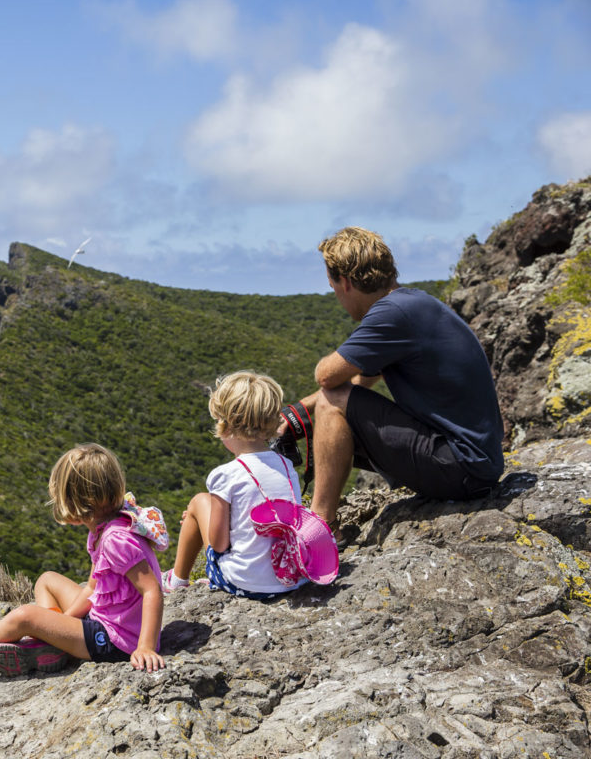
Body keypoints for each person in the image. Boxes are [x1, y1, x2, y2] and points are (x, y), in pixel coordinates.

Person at [290, 226, 504, 539]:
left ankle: (318, 528)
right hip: (476, 463)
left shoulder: (392, 314)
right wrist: (297, 414)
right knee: (333, 403)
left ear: (345, 282)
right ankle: (322, 524)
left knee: (332, 401)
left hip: (461, 467)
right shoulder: (413, 303)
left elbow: (327, 376)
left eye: (332, 285)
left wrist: (314, 407)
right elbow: (365, 378)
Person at [0, 443, 166, 675]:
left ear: (77, 502)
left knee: (25, 616)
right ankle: (50, 645)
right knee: (47, 580)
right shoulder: (104, 529)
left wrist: (145, 647)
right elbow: (92, 588)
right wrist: (60, 626)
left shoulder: (114, 539)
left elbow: (152, 590)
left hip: (117, 642)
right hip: (108, 621)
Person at [162, 371, 332, 598]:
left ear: (226, 426)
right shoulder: (287, 466)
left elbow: (219, 544)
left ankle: (176, 581)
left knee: (198, 502)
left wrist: (203, 520)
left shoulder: (224, 475)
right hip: (291, 577)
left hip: (247, 583)